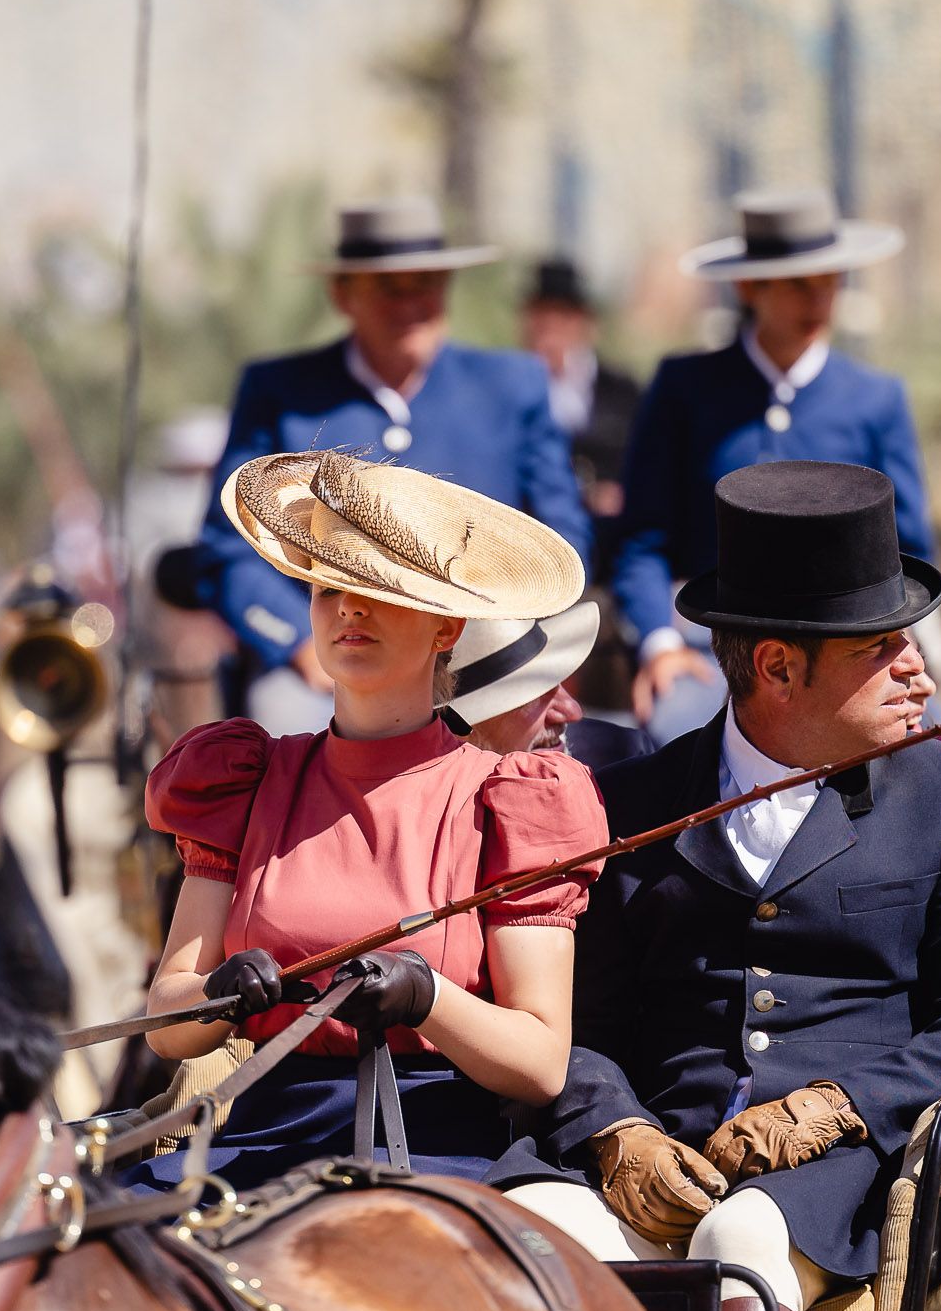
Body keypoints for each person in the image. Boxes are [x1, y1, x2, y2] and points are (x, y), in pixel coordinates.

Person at [495, 461, 941, 1311]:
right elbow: (581, 1024)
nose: (918, 673)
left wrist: (833, 1107)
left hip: (836, 1181)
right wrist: (615, 1135)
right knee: (531, 1234)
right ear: (780, 667)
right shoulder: (635, 805)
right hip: (655, 1161)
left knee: (739, 1242)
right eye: (882, 648)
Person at [140, 452, 604, 1188]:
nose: (348, 610)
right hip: (258, 1143)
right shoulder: (241, 779)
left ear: (448, 626)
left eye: (378, 591)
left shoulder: (511, 798)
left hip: (439, 1152)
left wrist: (430, 998)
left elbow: (542, 1063)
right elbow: (168, 1020)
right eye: (329, 589)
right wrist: (222, 993)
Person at [197, 200, 592, 736]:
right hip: (328, 662)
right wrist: (296, 644)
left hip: (481, 662)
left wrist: (504, 644)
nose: (411, 304)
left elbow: (559, 533)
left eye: (426, 283)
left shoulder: (511, 385)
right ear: (342, 294)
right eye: (389, 287)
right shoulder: (281, 394)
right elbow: (227, 548)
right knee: (287, 734)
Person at [615, 190, 930, 745]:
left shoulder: (875, 399)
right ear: (749, 287)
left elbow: (911, 548)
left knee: (933, 744)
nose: (819, 298)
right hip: (706, 652)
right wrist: (658, 644)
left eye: (829, 280)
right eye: (797, 283)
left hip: (850, 657)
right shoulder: (685, 390)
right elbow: (642, 538)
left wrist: (890, 648)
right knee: (676, 738)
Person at [446, 600, 653, 769]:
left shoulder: (621, 761)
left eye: (556, 680)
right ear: (458, 730)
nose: (572, 711)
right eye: (528, 696)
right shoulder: (428, 809)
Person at [520, 258, 643, 523]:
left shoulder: (622, 391)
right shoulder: (511, 391)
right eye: (542, 315)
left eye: (562, 316)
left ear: (585, 322)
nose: (550, 329)